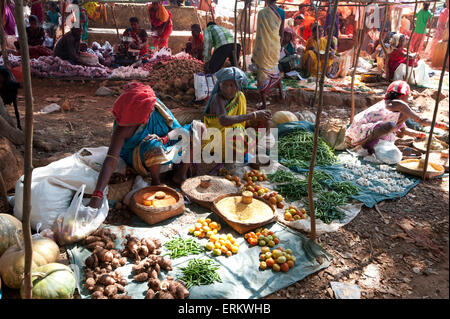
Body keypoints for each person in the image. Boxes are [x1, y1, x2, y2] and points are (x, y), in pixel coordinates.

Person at [88, 83, 193, 209]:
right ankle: (156, 182)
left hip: (164, 141)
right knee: (153, 145)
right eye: (147, 113)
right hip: (139, 154)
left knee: (197, 129)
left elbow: (177, 129)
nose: (150, 114)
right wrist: (98, 194)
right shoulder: (123, 128)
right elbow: (110, 159)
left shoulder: (153, 105)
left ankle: (180, 175)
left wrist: (164, 138)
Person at [202, 67, 271, 162]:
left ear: (238, 86)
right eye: (224, 85)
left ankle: (248, 148)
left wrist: (258, 117)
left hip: (230, 134)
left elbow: (241, 117)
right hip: (215, 138)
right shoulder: (218, 99)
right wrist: (253, 115)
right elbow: (224, 120)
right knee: (237, 130)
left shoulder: (240, 96)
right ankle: (239, 155)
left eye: (231, 85)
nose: (227, 89)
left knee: (262, 121)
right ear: (219, 84)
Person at [346, 81, 432, 153]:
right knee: (390, 128)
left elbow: (403, 130)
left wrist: (422, 135)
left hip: (369, 132)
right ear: (402, 97)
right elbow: (421, 120)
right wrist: (441, 125)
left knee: (390, 133)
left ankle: (368, 146)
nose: (409, 98)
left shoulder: (397, 109)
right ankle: (361, 146)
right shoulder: (398, 105)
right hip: (360, 133)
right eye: (408, 96)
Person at [253, 0, 285, 109]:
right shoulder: (282, 12)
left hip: (263, 46)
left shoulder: (262, 13)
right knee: (275, 68)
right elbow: (281, 33)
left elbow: (259, 34)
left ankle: (264, 104)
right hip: (275, 45)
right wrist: (279, 46)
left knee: (262, 71)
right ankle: (281, 94)